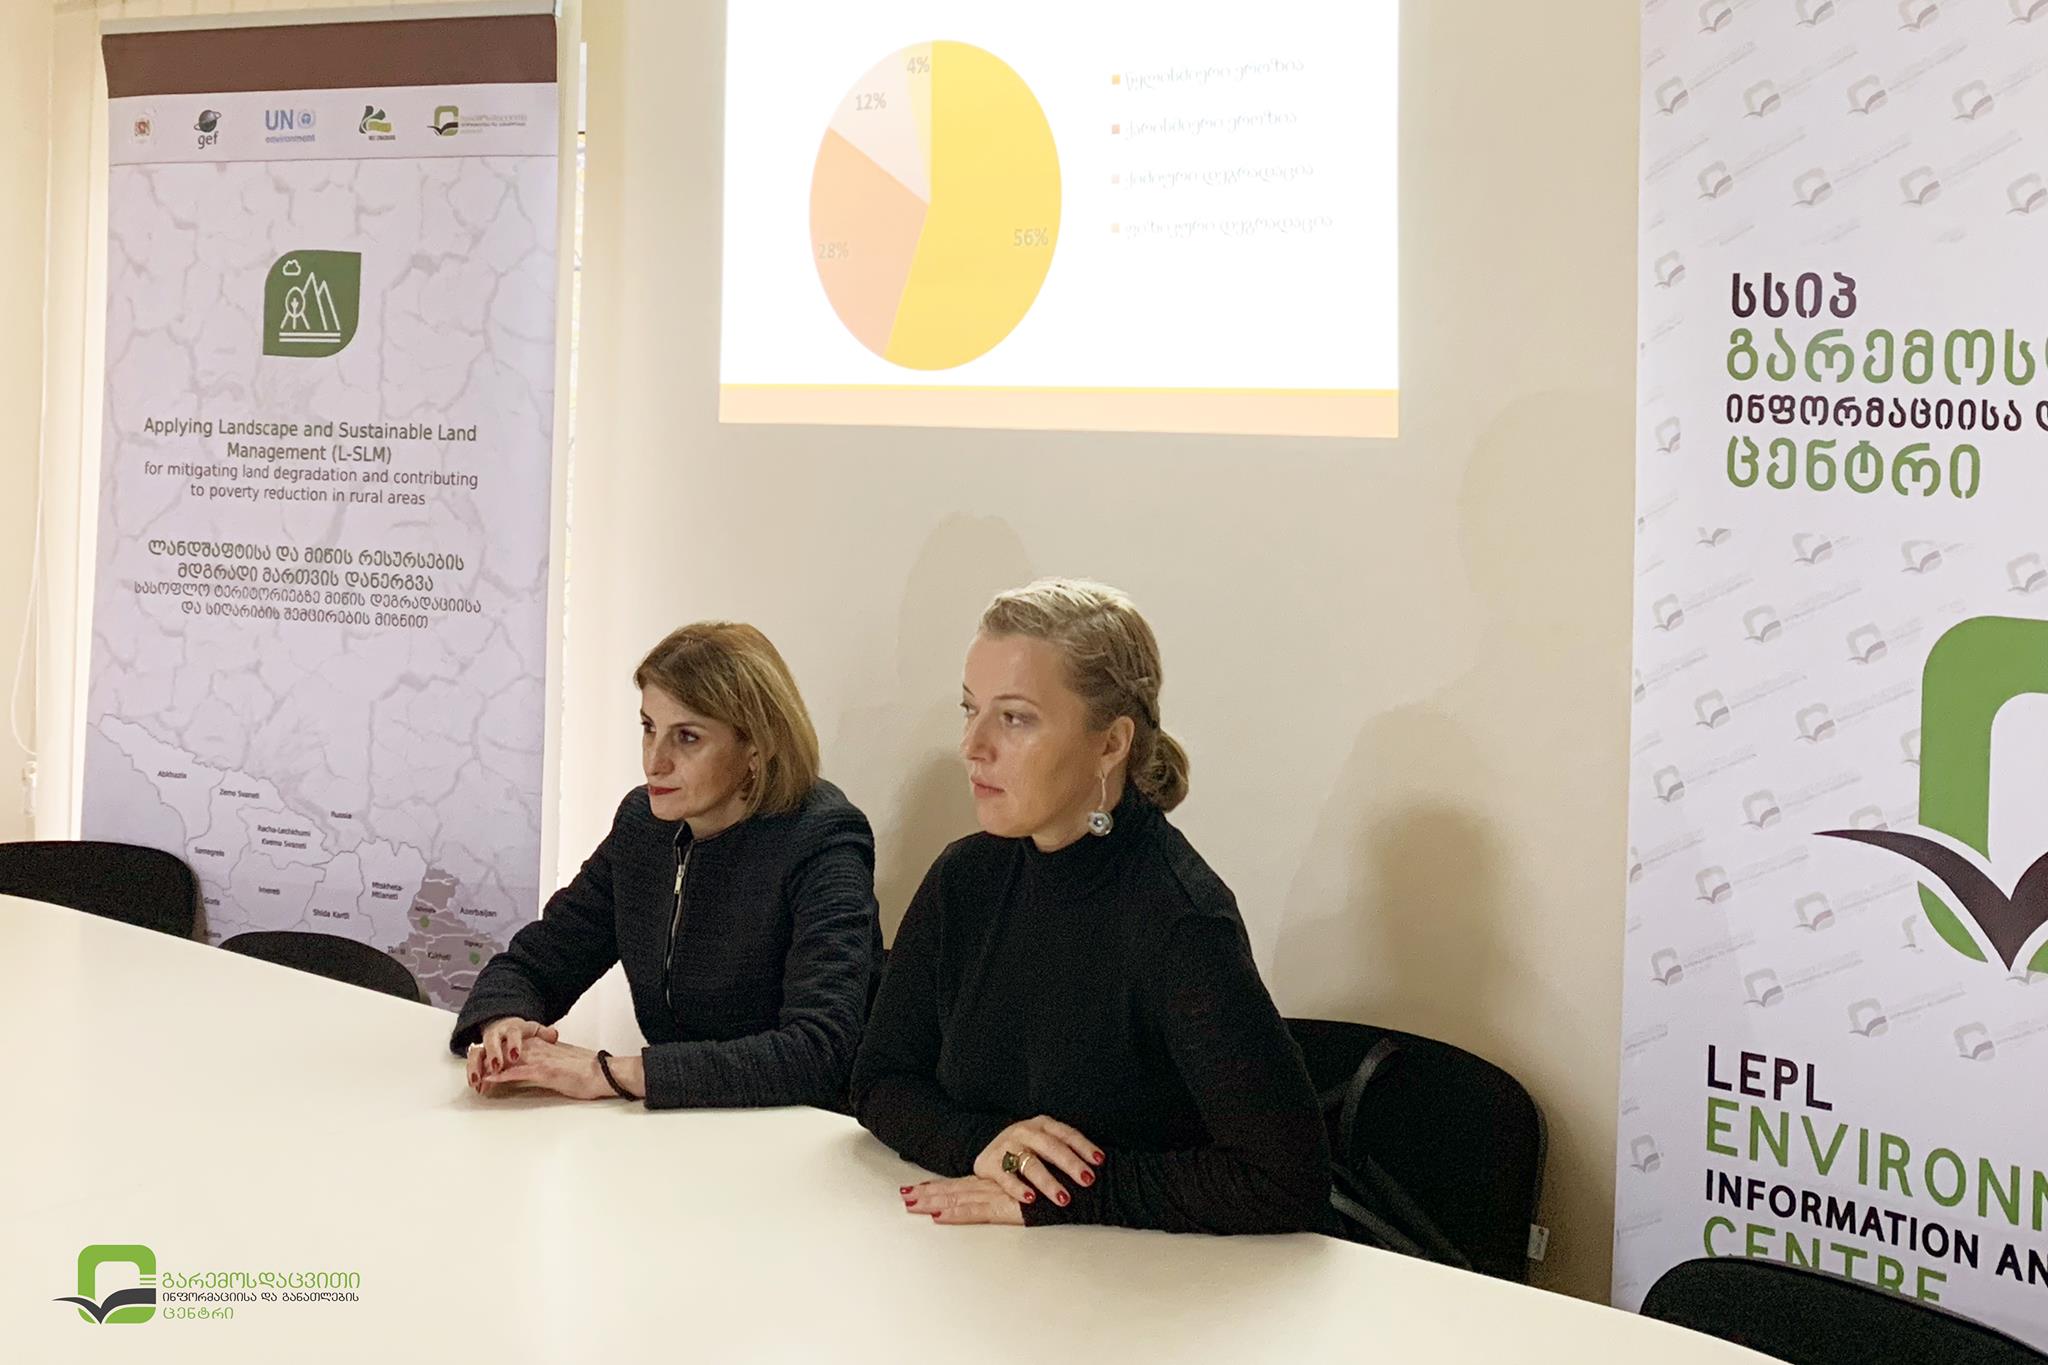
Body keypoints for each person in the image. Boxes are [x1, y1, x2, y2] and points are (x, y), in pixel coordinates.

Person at [851, 579, 1335, 1234]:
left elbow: (1285, 1177)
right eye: (971, 709)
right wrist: (986, 1147)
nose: (972, 745)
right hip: (983, 1267)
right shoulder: (964, 878)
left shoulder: (1178, 919)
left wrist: (1065, 1194)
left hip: (1143, 1283)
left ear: (1110, 743)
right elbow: (879, 1081)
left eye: (1015, 718)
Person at [450, 622, 880, 1110]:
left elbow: (819, 1052)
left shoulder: (824, 840)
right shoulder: (644, 826)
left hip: (798, 1129)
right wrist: (506, 1024)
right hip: (679, 1125)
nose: (654, 762)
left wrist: (608, 1072)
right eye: (649, 728)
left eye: (687, 737)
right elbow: (538, 962)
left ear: (756, 749)